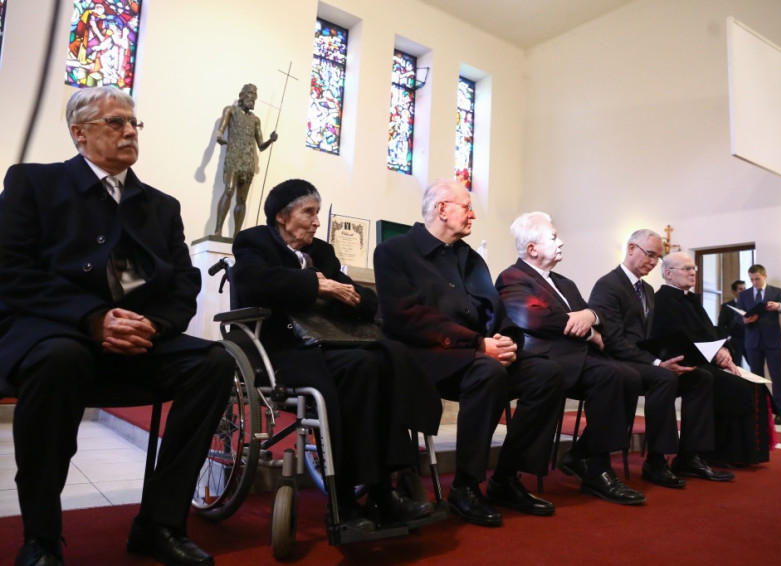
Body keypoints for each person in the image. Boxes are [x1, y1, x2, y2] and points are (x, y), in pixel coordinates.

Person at [0, 86, 234, 566]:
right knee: (60, 357)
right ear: (79, 133)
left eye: (133, 122)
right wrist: (93, 319)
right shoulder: (34, 184)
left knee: (214, 362)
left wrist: (154, 326)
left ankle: (159, 524)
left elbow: (183, 283)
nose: (130, 131)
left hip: (137, 342)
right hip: (54, 336)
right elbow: (10, 269)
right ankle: (41, 538)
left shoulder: (161, 206)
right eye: (115, 122)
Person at [231, 179, 442, 531]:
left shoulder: (322, 252)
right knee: (360, 368)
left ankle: (383, 492)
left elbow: (361, 297)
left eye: (317, 212)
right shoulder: (255, 242)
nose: (316, 221)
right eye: (308, 213)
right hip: (282, 348)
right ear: (282, 217)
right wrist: (317, 284)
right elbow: (253, 282)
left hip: (330, 343)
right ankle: (343, 500)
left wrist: (352, 296)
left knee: (384, 360)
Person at [373, 179, 565, 527]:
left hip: (477, 353)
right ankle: (465, 486)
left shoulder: (471, 258)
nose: (473, 215)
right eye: (466, 207)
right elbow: (408, 318)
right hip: (421, 357)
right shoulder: (394, 251)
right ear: (442, 209)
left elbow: (495, 310)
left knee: (547, 374)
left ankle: (506, 478)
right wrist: (478, 344)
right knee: (487, 372)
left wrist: (506, 342)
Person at [495, 212, 645, 505]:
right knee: (612, 374)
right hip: (544, 357)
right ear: (532, 248)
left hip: (578, 357)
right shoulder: (513, 277)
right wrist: (587, 330)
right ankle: (591, 468)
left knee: (628, 376)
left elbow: (594, 313)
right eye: (553, 238)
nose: (561, 242)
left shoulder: (564, 283)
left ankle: (587, 457)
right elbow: (532, 317)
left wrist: (590, 316)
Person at [588, 230, 728, 486]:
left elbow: (651, 336)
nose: (653, 262)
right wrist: (657, 363)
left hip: (644, 360)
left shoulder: (648, 289)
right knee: (664, 377)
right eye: (650, 255)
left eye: (657, 257)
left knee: (701, 378)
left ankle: (690, 456)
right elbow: (613, 340)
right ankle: (656, 460)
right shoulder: (609, 284)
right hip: (618, 362)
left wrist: (670, 358)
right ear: (631, 248)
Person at [652, 253, 773, 466]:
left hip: (705, 359)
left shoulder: (691, 299)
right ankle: (707, 454)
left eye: (694, 269)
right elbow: (676, 338)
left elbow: (710, 331)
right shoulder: (660, 300)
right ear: (668, 273)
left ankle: (731, 453)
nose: (693, 273)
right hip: (685, 363)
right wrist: (715, 352)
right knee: (733, 385)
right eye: (687, 269)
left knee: (752, 384)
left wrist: (723, 348)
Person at [213, 83, 277, 237]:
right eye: (250, 93)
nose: (252, 97)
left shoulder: (255, 120)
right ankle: (218, 231)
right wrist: (219, 136)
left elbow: (260, 146)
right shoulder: (230, 110)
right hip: (233, 157)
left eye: (255, 95)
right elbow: (221, 130)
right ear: (242, 95)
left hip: (248, 162)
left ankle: (237, 235)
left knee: (242, 199)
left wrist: (271, 140)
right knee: (228, 190)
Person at [737, 264, 781, 425]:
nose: (754, 282)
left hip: (773, 341)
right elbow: (738, 319)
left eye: (757, 279)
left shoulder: (776, 292)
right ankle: (759, 410)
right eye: (751, 280)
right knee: (756, 378)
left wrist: (779, 306)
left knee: (777, 377)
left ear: (764, 276)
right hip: (752, 342)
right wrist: (744, 320)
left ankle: (780, 412)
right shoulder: (744, 295)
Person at [717, 279, 747, 367]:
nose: (743, 291)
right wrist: (727, 338)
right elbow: (721, 325)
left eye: (745, 289)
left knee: (755, 366)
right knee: (736, 365)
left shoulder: (750, 304)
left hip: (749, 340)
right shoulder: (726, 306)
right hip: (735, 341)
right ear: (734, 291)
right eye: (740, 289)